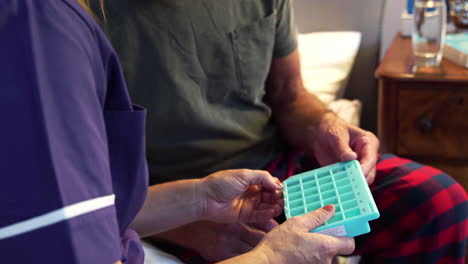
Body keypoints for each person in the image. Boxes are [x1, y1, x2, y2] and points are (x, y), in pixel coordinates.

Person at [93, 0, 468, 263]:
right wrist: (186, 228)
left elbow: (290, 95)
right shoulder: (81, 16)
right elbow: (80, 190)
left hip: (276, 169)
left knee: (441, 203)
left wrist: (324, 125)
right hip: (164, 196)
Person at [0, 1, 356, 263]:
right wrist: (270, 258)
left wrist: (200, 199)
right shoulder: (43, 27)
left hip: (253, 177)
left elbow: (105, 211)